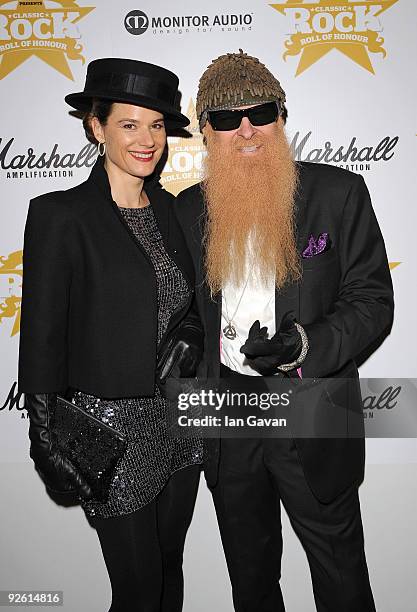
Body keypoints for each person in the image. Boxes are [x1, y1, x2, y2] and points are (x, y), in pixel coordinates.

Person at [174, 50, 394, 612]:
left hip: (316, 409)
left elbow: (372, 301)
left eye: (261, 112)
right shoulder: (186, 210)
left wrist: (306, 343)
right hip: (228, 422)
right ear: (206, 132)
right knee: (250, 583)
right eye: (226, 118)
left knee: (342, 579)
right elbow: (186, 312)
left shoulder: (339, 193)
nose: (245, 129)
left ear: (281, 118)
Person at [18, 58, 203, 612]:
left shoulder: (174, 210)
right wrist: (43, 428)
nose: (147, 140)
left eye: (156, 125)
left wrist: (191, 329)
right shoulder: (60, 215)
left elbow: (188, 299)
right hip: (110, 431)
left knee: (171, 573)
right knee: (139, 590)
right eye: (129, 124)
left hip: (178, 429)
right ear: (95, 127)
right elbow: (44, 329)